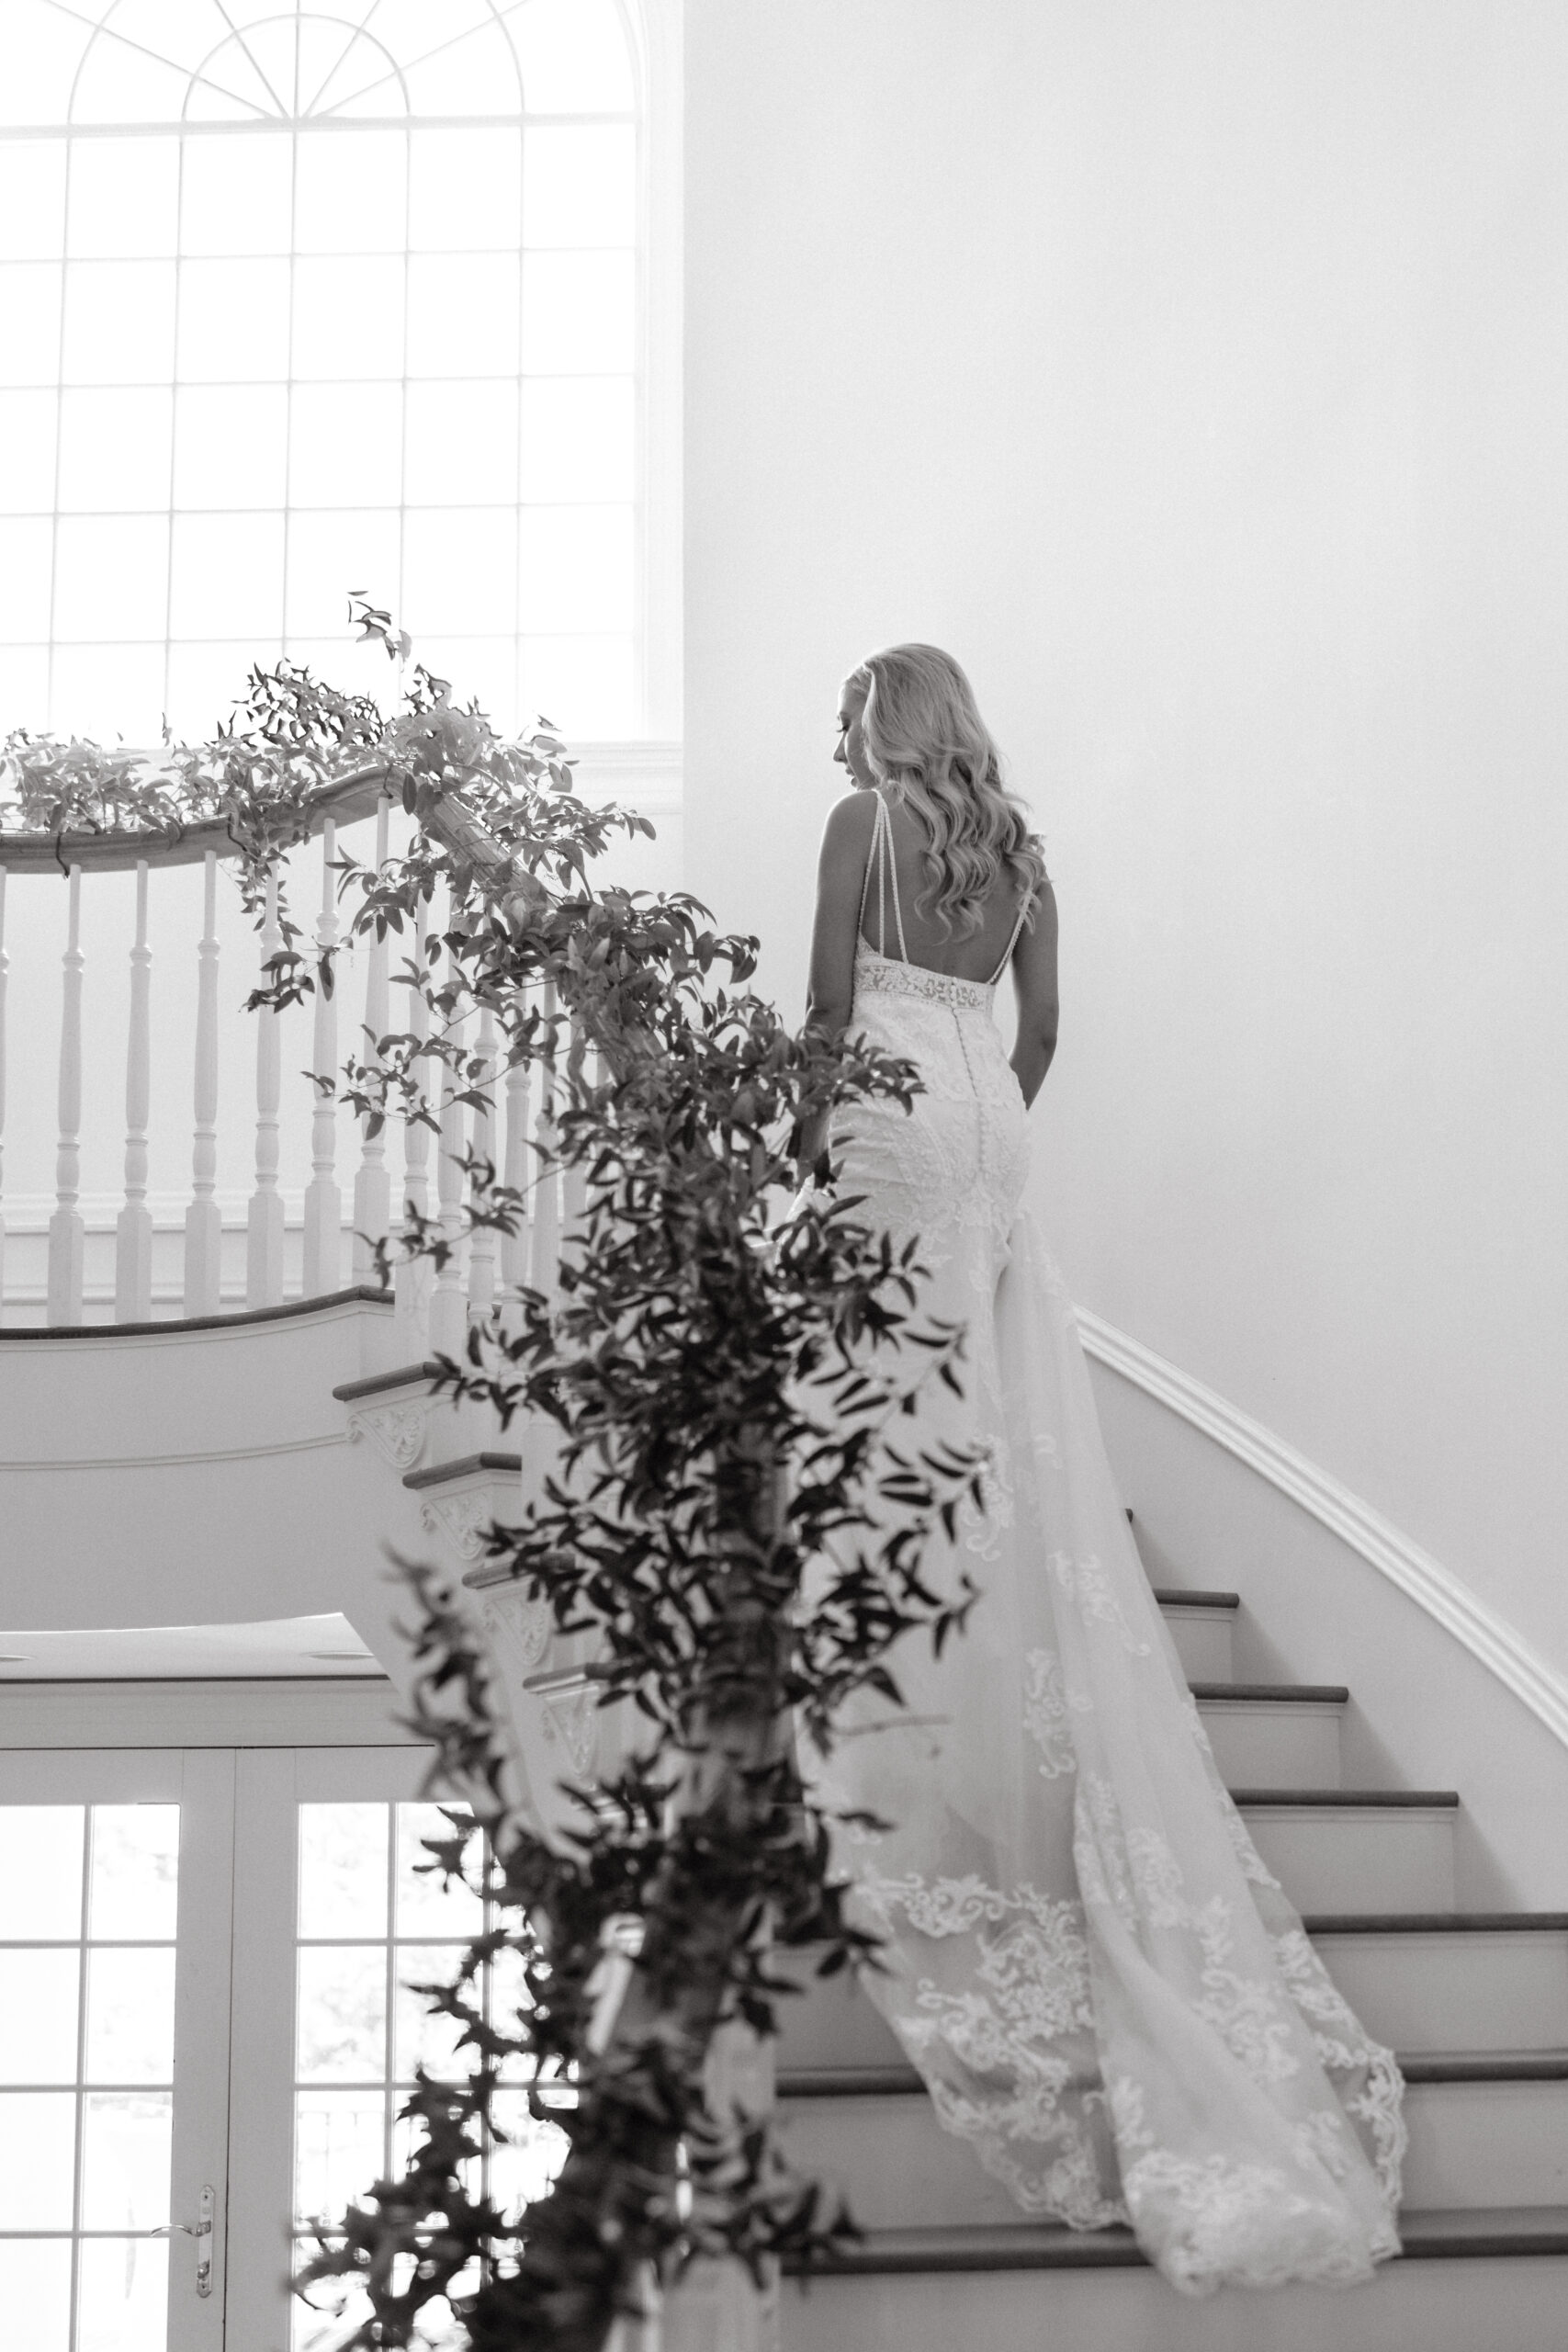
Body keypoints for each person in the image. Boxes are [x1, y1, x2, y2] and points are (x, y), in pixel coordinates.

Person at [798, 642, 1404, 2296]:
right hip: (994, 1109)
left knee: (885, 1400)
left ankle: (893, 1669)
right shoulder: (1024, 852)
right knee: (988, 1399)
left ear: (886, 723)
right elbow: (1047, 1026)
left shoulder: (860, 826)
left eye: (855, 709)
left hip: (899, 1106)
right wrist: (987, 1105)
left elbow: (828, 1017)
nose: (845, 733)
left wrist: (807, 1156)